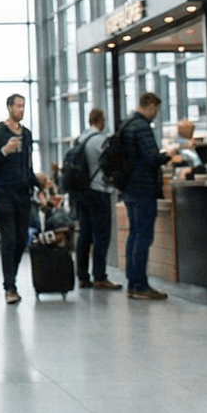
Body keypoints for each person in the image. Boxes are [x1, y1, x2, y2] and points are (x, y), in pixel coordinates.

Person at [0, 93, 43, 304]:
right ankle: (10, 287)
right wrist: (4, 151)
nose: (21, 110)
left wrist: (39, 187)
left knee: (20, 239)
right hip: (2, 193)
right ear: (9, 108)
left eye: (23, 106)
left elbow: (28, 167)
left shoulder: (27, 134)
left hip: (23, 193)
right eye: (18, 106)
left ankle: (12, 280)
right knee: (9, 239)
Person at [115, 93, 174, 300]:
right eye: (156, 109)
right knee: (143, 236)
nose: (156, 114)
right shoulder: (141, 127)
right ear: (149, 105)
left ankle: (133, 283)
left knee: (135, 235)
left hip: (129, 188)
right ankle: (140, 285)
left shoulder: (127, 124)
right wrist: (169, 155)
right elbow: (151, 158)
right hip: (143, 189)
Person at [70, 108, 117, 290]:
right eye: (104, 118)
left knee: (84, 234)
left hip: (81, 191)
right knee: (101, 235)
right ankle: (100, 276)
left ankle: (82, 276)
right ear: (99, 119)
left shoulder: (80, 138)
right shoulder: (100, 139)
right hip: (98, 190)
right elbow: (110, 162)